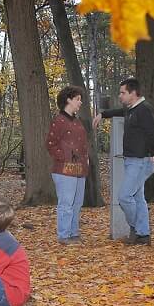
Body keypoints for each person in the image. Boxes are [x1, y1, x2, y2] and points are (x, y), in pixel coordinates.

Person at [93, 77, 154, 245]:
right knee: (138, 199)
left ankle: (137, 228)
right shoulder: (132, 109)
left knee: (124, 197)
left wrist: (152, 153)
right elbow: (118, 111)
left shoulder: (144, 110)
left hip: (140, 161)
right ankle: (143, 235)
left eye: (123, 93)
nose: (120, 96)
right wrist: (102, 114)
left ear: (133, 93)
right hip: (132, 161)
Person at [46, 85, 90, 244]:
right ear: (68, 100)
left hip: (80, 169)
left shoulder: (77, 121)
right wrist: (64, 157)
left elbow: (83, 144)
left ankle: (73, 233)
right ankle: (64, 236)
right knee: (66, 203)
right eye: (78, 99)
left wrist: (85, 161)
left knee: (77, 203)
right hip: (64, 170)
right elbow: (50, 144)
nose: (80, 102)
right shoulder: (59, 121)